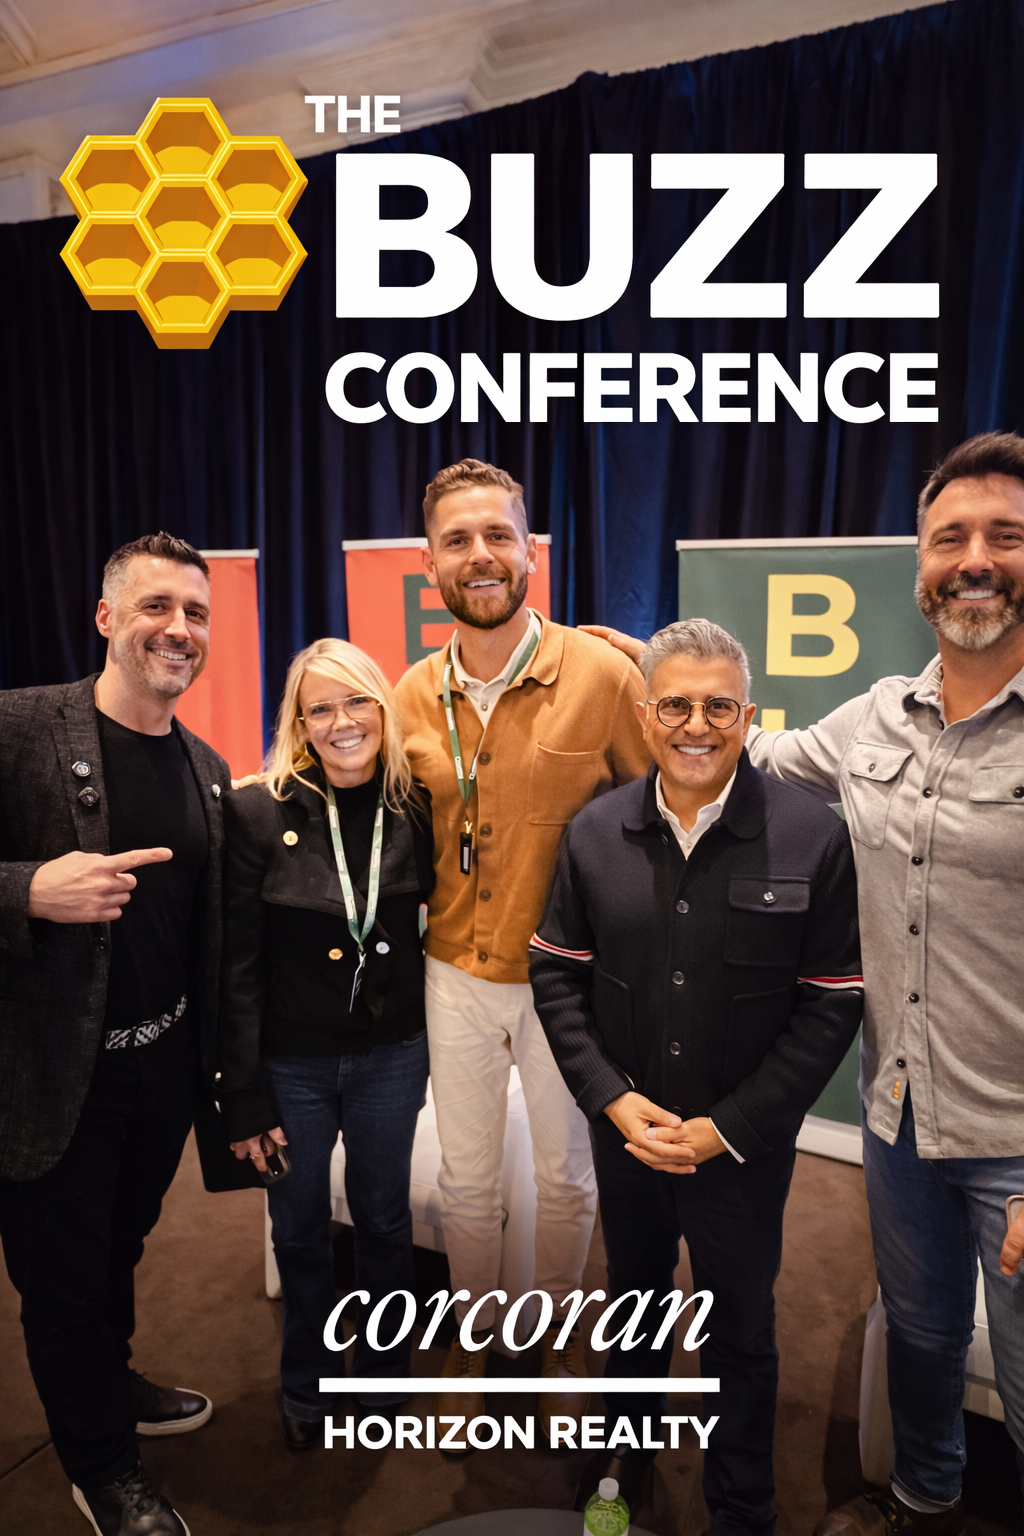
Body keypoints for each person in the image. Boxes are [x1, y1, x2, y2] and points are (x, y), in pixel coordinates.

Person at [584, 430, 1024, 1536]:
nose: (974, 559)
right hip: (901, 1112)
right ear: (920, 562)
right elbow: (737, 755)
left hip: (1019, 1134)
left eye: (1005, 536)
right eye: (950, 538)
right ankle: (922, 1498)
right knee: (922, 1334)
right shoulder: (873, 716)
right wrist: (648, 673)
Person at [530, 618, 863, 1529]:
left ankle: (740, 1504)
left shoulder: (813, 837)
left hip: (743, 1153)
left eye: (719, 706)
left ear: (749, 716)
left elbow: (832, 1003)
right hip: (628, 1140)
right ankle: (620, 1466)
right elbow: (555, 976)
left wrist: (730, 1128)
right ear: (645, 716)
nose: (696, 726)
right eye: (674, 705)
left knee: (740, 1331)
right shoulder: (595, 832)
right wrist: (612, 1100)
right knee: (632, 1305)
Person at [394, 458, 650, 1433]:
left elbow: (668, 811)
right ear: (430, 565)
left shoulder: (603, 677)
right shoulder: (408, 695)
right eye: (457, 540)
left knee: (564, 1177)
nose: (481, 555)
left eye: (498, 535)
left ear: (530, 551)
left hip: (569, 983)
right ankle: (474, 1332)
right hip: (452, 971)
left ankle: (553, 1330)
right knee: (465, 1179)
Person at [0, 534, 229, 1536]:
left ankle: (110, 1380)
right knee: (60, 1282)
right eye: (155, 607)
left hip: (160, 1075)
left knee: (119, 1249)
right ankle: (100, 1469)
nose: (178, 629)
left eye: (195, 612)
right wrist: (26, 890)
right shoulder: (17, 727)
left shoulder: (206, 766)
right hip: (51, 1079)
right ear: (104, 618)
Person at [218, 638, 433, 1450]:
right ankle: (306, 1381)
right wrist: (243, 1093)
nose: (343, 722)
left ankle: (383, 1380)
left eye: (357, 702)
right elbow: (236, 966)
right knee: (299, 1227)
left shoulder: (417, 806)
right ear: (299, 724)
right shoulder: (256, 812)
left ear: (383, 708)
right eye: (321, 709)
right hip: (291, 1065)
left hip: (391, 1056)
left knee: (383, 1222)